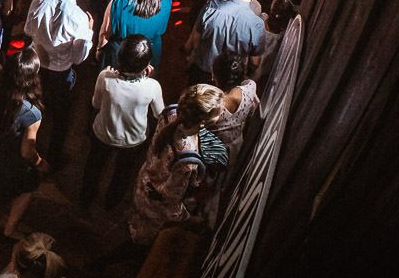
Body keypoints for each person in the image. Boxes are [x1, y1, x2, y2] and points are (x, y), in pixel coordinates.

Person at [127, 84, 226, 245]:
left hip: (143, 181)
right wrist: (186, 218)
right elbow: (170, 200)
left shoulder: (169, 113)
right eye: (219, 113)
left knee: (136, 221)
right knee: (141, 241)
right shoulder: (187, 163)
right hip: (155, 208)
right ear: (202, 123)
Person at [81, 34, 163, 210]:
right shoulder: (152, 86)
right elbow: (159, 114)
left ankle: (85, 201)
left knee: (93, 169)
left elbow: (95, 103)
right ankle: (111, 204)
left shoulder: (105, 76)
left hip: (103, 133)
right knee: (122, 175)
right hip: (133, 140)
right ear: (147, 65)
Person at [0, 50, 50, 238]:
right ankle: (9, 230)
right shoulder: (32, 113)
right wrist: (40, 163)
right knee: (27, 189)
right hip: (13, 163)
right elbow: (26, 151)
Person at [25, 0, 93, 162]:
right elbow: (79, 58)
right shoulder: (80, 18)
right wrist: (89, 31)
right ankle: (53, 158)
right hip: (59, 73)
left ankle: (29, 146)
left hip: (35, 66)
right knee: (61, 119)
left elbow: (28, 30)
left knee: (33, 107)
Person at [185, 0, 265, 84]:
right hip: (230, 80)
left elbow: (196, 39)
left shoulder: (212, 7)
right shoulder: (257, 25)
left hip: (203, 71)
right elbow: (255, 62)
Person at [98, 0, 172, 71]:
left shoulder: (119, 2)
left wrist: (99, 50)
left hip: (123, 55)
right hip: (150, 54)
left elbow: (105, 33)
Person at [207, 52, 263, 163]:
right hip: (236, 145)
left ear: (214, 76)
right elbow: (254, 112)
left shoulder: (211, 105)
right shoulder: (250, 88)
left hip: (211, 149)